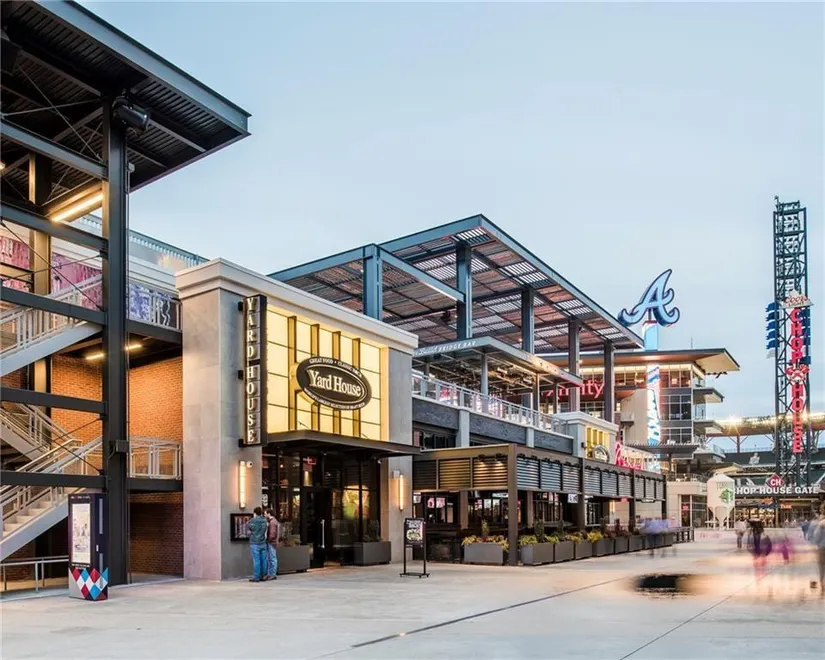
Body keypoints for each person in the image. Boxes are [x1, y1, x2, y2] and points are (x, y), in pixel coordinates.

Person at [245, 507, 269, 583]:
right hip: (263, 542)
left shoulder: (251, 521)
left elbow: (248, 531)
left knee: (256, 560)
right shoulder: (265, 521)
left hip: (254, 543)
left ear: (255, 513)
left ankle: (256, 577)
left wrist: (251, 533)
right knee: (264, 560)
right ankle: (264, 575)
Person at [806, 505, 825, 597]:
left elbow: (816, 537)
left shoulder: (820, 523)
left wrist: (815, 543)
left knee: (822, 566)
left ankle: (822, 583)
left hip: (822, 547)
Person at [263, 507, 280, 581]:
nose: (264, 515)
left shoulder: (272, 522)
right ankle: (270, 574)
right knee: (271, 558)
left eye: (265, 513)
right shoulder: (273, 521)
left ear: (269, 514)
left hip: (271, 542)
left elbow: (272, 534)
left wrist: (268, 540)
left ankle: (272, 574)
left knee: (272, 558)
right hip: (272, 542)